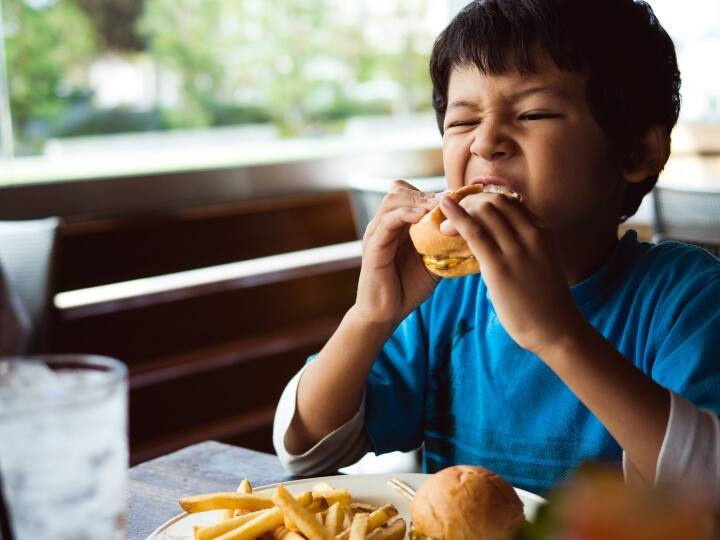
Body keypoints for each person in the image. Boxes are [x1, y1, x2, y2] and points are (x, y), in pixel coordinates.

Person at [273, 0, 720, 498]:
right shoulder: (444, 296)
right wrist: (370, 317)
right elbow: (308, 449)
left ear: (637, 151)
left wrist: (554, 333)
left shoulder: (687, 299)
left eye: (533, 113)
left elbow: (708, 488)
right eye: (463, 122)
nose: (485, 143)